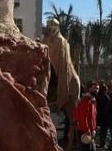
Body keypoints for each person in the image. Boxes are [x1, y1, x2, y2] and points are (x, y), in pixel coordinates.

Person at [42, 18, 81, 149]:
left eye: (52, 26)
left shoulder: (62, 41)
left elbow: (63, 61)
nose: (50, 29)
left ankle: (72, 144)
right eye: (48, 26)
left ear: (57, 27)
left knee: (72, 118)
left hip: (59, 72)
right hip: (48, 68)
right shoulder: (45, 39)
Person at [73, 82, 99, 151]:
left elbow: (93, 117)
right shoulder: (86, 100)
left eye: (97, 89)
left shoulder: (93, 100)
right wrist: (87, 130)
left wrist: (94, 128)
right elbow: (83, 117)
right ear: (90, 89)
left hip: (90, 130)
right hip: (84, 131)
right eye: (94, 88)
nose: (96, 90)